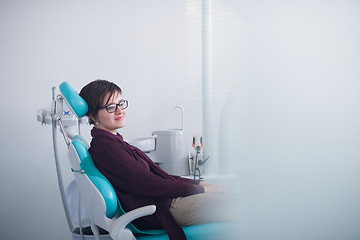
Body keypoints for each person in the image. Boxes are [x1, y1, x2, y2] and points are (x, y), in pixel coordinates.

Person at [79, 79, 236, 240]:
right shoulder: (107, 148)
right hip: (162, 208)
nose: (120, 111)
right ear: (93, 115)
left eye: (121, 103)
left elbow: (161, 177)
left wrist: (203, 185)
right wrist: (204, 190)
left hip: (164, 202)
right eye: (111, 107)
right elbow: (150, 184)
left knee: (233, 198)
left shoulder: (113, 142)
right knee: (240, 207)